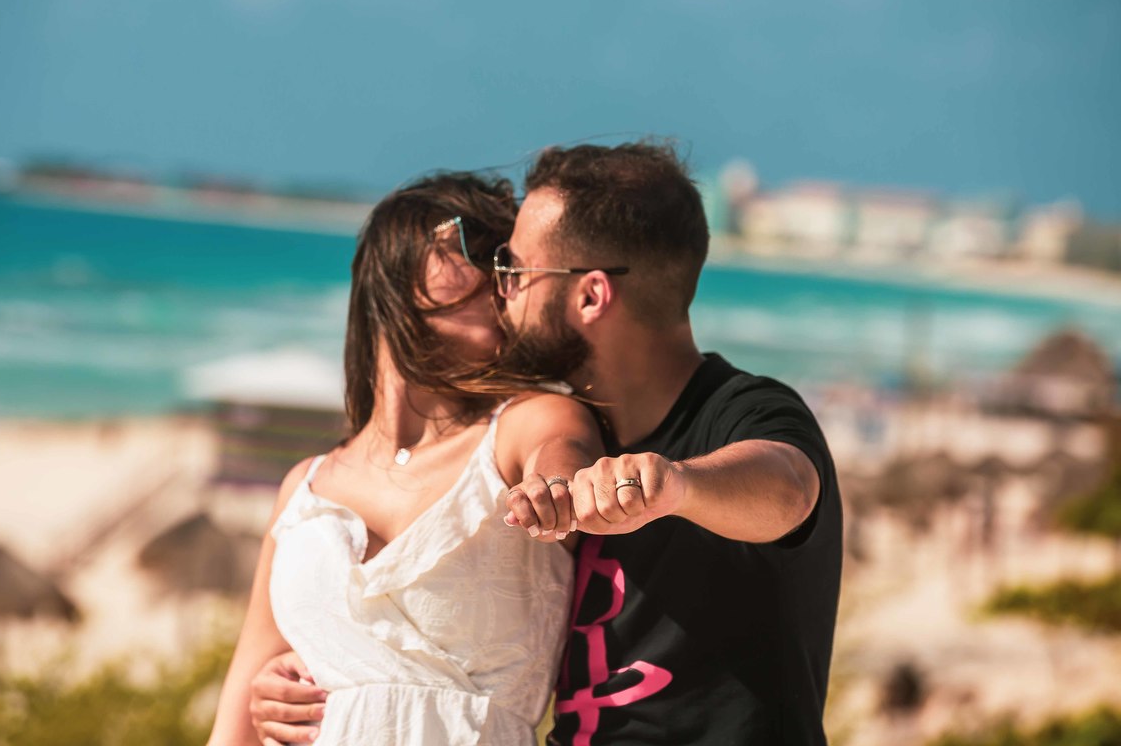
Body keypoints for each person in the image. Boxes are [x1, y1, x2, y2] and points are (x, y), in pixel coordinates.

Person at [251, 142, 843, 745]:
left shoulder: (743, 411)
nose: (498, 289)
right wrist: (311, 669)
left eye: (514, 270)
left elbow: (788, 490)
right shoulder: (569, 426)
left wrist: (678, 486)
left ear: (589, 296)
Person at [206, 172, 605, 746]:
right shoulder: (304, 489)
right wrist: (263, 696)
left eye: (509, 257)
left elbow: (562, 458)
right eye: (477, 246)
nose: (505, 274)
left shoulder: (528, 423)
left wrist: (558, 488)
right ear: (396, 266)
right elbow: (235, 720)